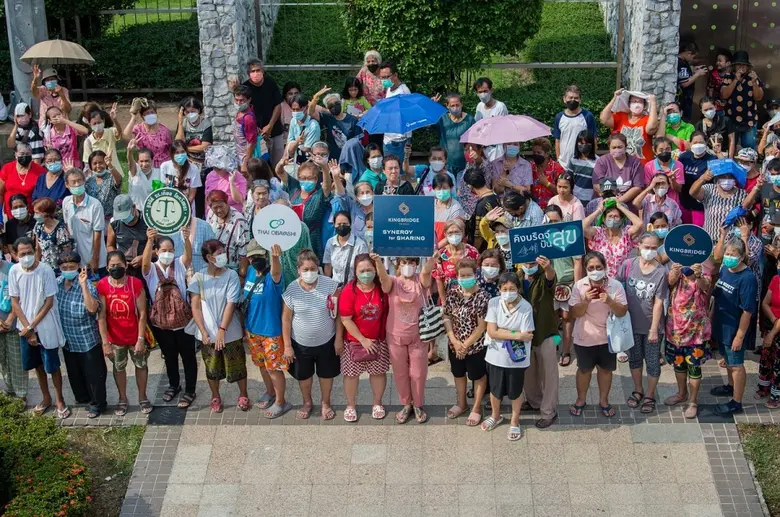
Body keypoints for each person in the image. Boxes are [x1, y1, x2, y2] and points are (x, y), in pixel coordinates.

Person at [9, 237, 69, 418]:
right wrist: (27, 329)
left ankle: (60, 400)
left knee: (52, 366)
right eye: (22, 254)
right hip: (25, 329)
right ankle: (46, 397)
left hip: (45, 326)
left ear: (35, 251)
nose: (27, 256)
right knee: (37, 366)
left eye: (29, 252)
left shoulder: (45, 270)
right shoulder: (14, 271)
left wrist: (32, 326)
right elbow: (15, 301)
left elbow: (49, 301)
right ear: (16, 255)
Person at [374, 252, 435, 423]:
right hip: (395, 335)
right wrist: (378, 261)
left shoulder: (420, 281)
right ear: (398, 265)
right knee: (400, 373)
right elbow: (383, 281)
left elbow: (426, 274)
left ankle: (418, 404)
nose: (407, 265)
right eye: (404, 262)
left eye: (411, 262)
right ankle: (406, 403)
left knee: (418, 373)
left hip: (419, 336)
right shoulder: (393, 281)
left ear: (416, 264)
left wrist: (432, 258)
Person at [189, 240, 249, 413]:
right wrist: (203, 331)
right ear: (208, 257)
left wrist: (222, 330)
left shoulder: (231, 275)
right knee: (212, 367)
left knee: (238, 365)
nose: (223, 256)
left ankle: (243, 394)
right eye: (219, 253)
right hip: (207, 332)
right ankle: (215, 396)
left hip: (231, 331)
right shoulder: (198, 277)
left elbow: (231, 303)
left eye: (223, 252)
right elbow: (196, 306)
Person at [282, 249, 342, 420]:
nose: (310, 272)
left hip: (327, 341)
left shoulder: (330, 285)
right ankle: (307, 402)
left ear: (318, 268)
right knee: (304, 376)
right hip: (300, 344)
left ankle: (326, 403)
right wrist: (287, 346)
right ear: (298, 270)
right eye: (305, 269)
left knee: (326, 375)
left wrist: (339, 339)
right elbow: (286, 319)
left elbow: (338, 315)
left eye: (313, 268)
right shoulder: (292, 288)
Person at [142, 227, 197, 409]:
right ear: (156, 252)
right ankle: (174, 384)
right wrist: (149, 241)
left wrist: (186, 239)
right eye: (164, 250)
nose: (168, 254)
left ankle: (190, 390)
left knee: (188, 357)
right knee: (169, 357)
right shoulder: (151, 270)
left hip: (183, 323)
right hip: (161, 325)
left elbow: (188, 257)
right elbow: (143, 265)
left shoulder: (179, 265)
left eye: (171, 250)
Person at [568, 251, 627, 417]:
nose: (595, 270)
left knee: (606, 370)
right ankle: (581, 399)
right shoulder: (579, 286)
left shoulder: (615, 286)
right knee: (584, 370)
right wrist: (585, 301)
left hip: (608, 338)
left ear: (605, 267)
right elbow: (574, 314)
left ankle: (604, 401)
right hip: (584, 337)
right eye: (591, 268)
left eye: (598, 267)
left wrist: (609, 300)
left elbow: (622, 311)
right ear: (586, 269)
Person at [617, 233, 668, 414]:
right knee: (635, 359)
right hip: (630, 325)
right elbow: (618, 289)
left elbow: (659, 302)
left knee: (653, 362)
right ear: (638, 246)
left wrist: (654, 328)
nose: (650, 251)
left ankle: (650, 394)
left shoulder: (661, 272)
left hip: (651, 326)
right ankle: (638, 390)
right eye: (647, 246)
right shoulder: (628, 265)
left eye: (654, 248)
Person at [97, 251, 151, 416]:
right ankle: (122, 398)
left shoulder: (135, 284)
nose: (116, 268)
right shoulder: (102, 285)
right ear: (107, 267)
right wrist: (105, 342)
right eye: (112, 266)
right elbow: (102, 316)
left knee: (141, 366)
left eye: (119, 265)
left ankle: (143, 397)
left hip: (135, 336)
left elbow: (142, 314)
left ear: (125, 265)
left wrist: (141, 339)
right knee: (119, 367)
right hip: (115, 339)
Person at [338, 253, 390, 422]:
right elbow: (345, 319)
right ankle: (351, 405)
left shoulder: (381, 288)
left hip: (378, 340)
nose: (366, 273)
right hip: (354, 341)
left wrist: (379, 262)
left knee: (378, 373)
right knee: (351, 375)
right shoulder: (349, 290)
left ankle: (377, 403)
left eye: (369, 269)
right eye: (362, 270)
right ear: (355, 271)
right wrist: (362, 339)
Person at [482, 272, 534, 440]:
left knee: (515, 391)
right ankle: (496, 416)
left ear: (518, 289)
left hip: (517, 359)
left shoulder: (526, 307)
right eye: (505, 289)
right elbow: (491, 331)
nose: (508, 292)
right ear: (499, 289)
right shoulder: (494, 303)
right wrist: (516, 335)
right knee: (495, 390)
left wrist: (501, 332)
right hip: (495, 356)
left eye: (512, 289)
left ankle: (514, 421)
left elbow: (528, 334)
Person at [242, 241, 291, 418]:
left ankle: (281, 401)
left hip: (271, 331)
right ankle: (270, 392)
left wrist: (275, 257)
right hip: (253, 330)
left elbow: (276, 271)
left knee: (273, 369)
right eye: (253, 257)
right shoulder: (249, 272)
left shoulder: (273, 275)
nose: (256, 260)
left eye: (260, 256)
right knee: (262, 365)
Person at [710, 238, 757, 416]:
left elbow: (747, 311)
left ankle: (736, 402)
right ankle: (730, 386)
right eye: (727, 254)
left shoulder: (747, 278)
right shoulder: (725, 270)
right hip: (721, 325)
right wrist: (711, 315)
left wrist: (739, 336)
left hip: (734, 328)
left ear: (742, 256)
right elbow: (717, 296)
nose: (728, 257)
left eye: (732, 254)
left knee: (736, 364)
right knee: (728, 360)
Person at [57, 251, 107, 418]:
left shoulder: (88, 285)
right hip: (68, 341)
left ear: (79, 267)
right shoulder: (57, 284)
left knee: (94, 375)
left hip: (87, 340)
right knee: (75, 374)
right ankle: (84, 399)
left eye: (72, 267)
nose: (68, 270)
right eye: (65, 267)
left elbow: (92, 309)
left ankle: (97, 404)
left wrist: (84, 285)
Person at [443, 257, 489, 426]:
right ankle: (461, 403)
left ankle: (476, 408)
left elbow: (481, 326)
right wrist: (454, 341)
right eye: (462, 275)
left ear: (475, 274)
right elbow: (446, 315)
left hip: (475, 347)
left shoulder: (482, 296)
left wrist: (465, 345)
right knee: (458, 374)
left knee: (478, 376)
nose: (465, 278)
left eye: (468, 275)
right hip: (454, 345)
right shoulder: (453, 292)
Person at [521, 256, 560, 428]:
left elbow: (551, 278)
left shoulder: (544, 277)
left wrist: (548, 268)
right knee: (528, 373)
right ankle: (534, 401)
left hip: (545, 333)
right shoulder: (515, 278)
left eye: (533, 263)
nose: (529, 266)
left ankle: (548, 412)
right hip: (525, 335)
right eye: (526, 263)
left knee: (548, 375)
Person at [229, 59, 285, 166]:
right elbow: (243, 106)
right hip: (258, 136)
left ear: (263, 70)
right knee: (262, 166)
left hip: (275, 130)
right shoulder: (246, 88)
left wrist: (270, 125)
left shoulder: (270, 83)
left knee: (278, 165)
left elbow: (278, 105)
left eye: (257, 70)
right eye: (252, 71)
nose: (255, 73)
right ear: (248, 73)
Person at [275, 158, 333, 259]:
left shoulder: (318, 195)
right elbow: (279, 172)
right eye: (303, 178)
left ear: (316, 179)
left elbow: (327, 186)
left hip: (311, 239)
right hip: (291, 238)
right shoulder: (294, 189)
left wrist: (324, 167)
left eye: (310, 178)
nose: (306, 181)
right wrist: (281, 163)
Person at [583, 199, 644, 278]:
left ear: (621, 220)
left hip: (622, 280)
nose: (613, 219)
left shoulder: (626, 234)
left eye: (616, 217)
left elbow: (639, 224)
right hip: (600, 279)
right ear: (604, 220)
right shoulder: (598, 233)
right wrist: (599, 210)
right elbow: (582, 226)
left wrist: (621, 207)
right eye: (610, 216)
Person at [63, 168, 107, 273]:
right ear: (67, 185)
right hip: (75, 260)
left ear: (84, 182)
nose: (77, 184)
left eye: (80, 181)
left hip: (94, 261)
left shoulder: (95, 205)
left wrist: (95, 259)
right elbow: (67, 226)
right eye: (73, 182)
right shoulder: (66, 202)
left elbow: (97, 234)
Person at [600, 88, 659, 163]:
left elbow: (651, 128)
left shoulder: (647, 119)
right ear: (629, 104)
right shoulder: (621, 116)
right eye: (634, 101)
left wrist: (653, 103)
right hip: (620, 165)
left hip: (642, 166)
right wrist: (615, 98)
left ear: (644, 105)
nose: (637, 104)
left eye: (640, 101)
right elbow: (603, 119)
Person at [689, 167, 749, 241]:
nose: (727, 180)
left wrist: (757, 187)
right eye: (723, 177)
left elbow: (746, 207)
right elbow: (692, 193)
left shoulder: (742, 194)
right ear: (717, 178)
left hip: (731, 243)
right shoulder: (709, 189)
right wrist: (702, 178)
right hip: (710, 239)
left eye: (730, 177)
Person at [720, 50, 765, 150]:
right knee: (729, 147)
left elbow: (759, 97)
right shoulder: (729, 76)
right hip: (731, 118)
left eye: (744, 65)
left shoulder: (753, 77)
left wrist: (754, 83)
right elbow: (723, 95)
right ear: (734, 66)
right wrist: (735, 80)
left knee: (748, 147)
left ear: (748, 66)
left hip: (749, 119)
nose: (741, 67)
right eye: (738, 65)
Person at [206, 190, 250, 279]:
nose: (219, 210)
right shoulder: (211, 215)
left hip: (232, 271)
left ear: (227, 203)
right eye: (215, 208)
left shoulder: (239, 221)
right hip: (212, 268)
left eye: (221, 206)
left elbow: (244, 252)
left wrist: (242, 276)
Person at [0, 255, 26, 404]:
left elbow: (20, 296)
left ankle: (21, 394)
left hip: (14, 323)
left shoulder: (13, 269)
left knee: (17, 360)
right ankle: (9, 389)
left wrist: (10, 318)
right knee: (3, 360)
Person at [553, 85, 599, 169]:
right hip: (563, 164)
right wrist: (558, 160)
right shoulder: (559, 117)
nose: (573, 100)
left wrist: (589, 160)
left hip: (582, 164)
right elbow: (557, 140)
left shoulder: (588, 116)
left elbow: (594, 140)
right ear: (564, 99)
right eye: (570, 97)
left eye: (576, 98)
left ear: (580, 100)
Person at [433, 218, 479, 301]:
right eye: (450, 233)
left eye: (457, 232)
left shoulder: (472, 252)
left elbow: (479, 275)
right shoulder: (442, 254)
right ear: (445, 234)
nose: (454, 235)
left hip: (471, 297)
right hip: (450, 299)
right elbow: (439, 280)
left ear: (463, 233)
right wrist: (444, 303)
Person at [309, 87, 360, 160]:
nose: (334, 106)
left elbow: (358, 141)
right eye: (331, 105)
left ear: (341, 102)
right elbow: (311, 112)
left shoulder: (353, 120)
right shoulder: (328, 118)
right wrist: (316, 97)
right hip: (334, 160)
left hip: (350, 158)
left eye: (336, 103)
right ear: (327, 108)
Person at [592, 134, 645, 204]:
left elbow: (637, 187)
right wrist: (610, 200)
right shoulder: (602, 161)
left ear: (625, 147)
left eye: (620, 147)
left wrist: (619, 201)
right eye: (614, 147)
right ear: (609, 148)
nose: (616, 150)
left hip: (628, 207)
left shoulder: (635, 163)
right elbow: (596, 184)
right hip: (605, 204)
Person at [678, 131, 716, 225]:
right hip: (684, 203)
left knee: (697, 233)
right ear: (690, 143)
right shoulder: (683, 158)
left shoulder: (712, 160)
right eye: (695, 143)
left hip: (700, 206)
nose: (698, 145)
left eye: (701, 142)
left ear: (706, 143)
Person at [0, 143, 46, 219]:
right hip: (11, 214)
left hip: (31, 215)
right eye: (22, 154)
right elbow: (0, 192)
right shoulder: (7, 168)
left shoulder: (40, 171)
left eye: (28, 154)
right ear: (15, 154)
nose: (24, 156)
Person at [323, 211, 369, 285]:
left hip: (354, 287)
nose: (342, 226)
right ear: (334, 225)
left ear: (350, 225)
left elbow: (364, 269)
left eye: (345, 224)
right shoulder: (330, 243)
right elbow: (328, 266)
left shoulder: (360, 244)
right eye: (339, 224)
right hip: (335, 288)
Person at [123, 99, 172, 168]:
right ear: (142, 116)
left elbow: (171, 150)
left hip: (163, 167)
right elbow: (125, 137)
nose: (150, 115)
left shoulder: (165, 131)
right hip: (145, 166)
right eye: (147, 113)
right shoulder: (138, 129)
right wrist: (133, 117)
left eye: (152, 112)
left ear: (156, 113)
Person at [107, 195, 148, 277]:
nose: (123, 219)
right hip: (124, 269)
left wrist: (144, 257)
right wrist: (119, 260)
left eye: (125, 215)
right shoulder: (114, 223)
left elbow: (159, 249)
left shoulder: (147, 221)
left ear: (134, 207)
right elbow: (110, 246)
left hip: (145, 268)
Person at [377, 61, 412, 157]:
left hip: (399, 140)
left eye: (387, 77)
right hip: (388, 138)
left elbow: (406, 116)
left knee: (397, 170)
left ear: (395, 75)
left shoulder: (403, 92)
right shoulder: (390, 88)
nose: (384, 80)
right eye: (382, 77)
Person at [436, 92, 475, 174]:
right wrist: (432, 106)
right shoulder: (442, 119)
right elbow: (428, 123)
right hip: (446, 164)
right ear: (447, 106)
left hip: (464, 164)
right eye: (452, 106)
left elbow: (475, 140)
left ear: (462, 104)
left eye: (457, 105)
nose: (455, 108)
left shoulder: (470, 120)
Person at [462, 168, 499, 250]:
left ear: (470, 186)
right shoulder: (495, 196)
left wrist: (475, 251)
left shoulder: (482, 205)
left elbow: (479, 236)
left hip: (485, 249)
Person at [473, 76, 509, 161]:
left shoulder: (500, 107)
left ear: (491, 90)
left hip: (497, 151)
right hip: (482, 151)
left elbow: (500, 131)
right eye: (480, 92)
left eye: (485, 91)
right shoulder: (479, 106)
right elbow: (476, 127)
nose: (483, 94)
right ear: (476, 93)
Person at [32, 197, 72, 271]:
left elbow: (67, 252)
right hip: (43, 268)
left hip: (58, 269)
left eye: (37, 213)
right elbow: (38, 248)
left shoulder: (60, 229)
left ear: (46, 213)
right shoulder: (38, 225)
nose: (35, 215)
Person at [642, 136, 684, 205]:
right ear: (655, 150)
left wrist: (672, 180)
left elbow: (679, 189)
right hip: (654, 205)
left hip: (672, 205)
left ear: (671, 149)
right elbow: (648, 189)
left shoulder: (678, 165)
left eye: (668, 149)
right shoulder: (649, 166)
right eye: (661, 150)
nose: (664, 152)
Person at [82, 104, 124, 174]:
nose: (97, 125)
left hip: (115, 173)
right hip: (98, 176)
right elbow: (88, 162)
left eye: (99, 122)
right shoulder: (88, 141)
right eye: (94, 123)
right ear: (90, 124)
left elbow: (119, 132)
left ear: (103, 121)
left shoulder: (110, 132)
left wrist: (115, 120)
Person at [160, 141, 202, 206]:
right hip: (169, 205)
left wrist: (185, 207)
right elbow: (163, 188)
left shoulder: (193, 169)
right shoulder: (165, 166)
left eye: (182, 152)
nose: (180, 155)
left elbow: (192, 195)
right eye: (177, 153)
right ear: (172, 154)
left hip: (187, 206)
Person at [175, 96, 213, 166]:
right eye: (187, 112)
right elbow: (178, 143)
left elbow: (204, 146)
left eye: (193, 111)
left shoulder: (206, 124)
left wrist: (185, 148)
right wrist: (180, 122)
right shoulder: (183, 123)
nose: (190, 114)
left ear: (198, 110)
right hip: (187, 161)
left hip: (204, 162)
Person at [30, 65, 71, 129]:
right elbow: (34, 91)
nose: (50, 81)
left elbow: (68, 109)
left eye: (52, 79)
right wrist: (35, 78)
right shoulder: (43, 90)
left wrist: (62, 95)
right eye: (47, 80)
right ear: (44, 82)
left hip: (61, 124)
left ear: (57, 80)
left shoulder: (63, 90)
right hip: (46, 125)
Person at [85, 150, 122, 220]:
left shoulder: (111, 177)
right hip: (93, 218)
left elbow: (119, 180)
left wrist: (110, 165)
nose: (98, 166)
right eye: (95, 163)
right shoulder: (88, 181)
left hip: (110, 219)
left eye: (101, 163)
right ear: (90, 166)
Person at [530, 138, 566, 209]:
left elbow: (563, 192)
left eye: (539, 152)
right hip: (533, 208)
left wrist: (547, 183)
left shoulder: (557, 169)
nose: (535, 155)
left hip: (552, 209)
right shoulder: (531, 167)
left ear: (546, 154)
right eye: (534, 152)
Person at [677, 41, 708, 120]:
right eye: (693, 57)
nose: (692, 59)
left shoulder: (684, 62)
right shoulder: (681, 63)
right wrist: (697, 74)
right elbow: (684, 83)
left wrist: (694, 69)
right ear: (688, 53)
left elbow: (685, 74)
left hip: (686, 98)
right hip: (683, 99)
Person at [126, 141, 161, 211]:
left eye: (147, 161)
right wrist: (129, 151)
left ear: (152, 160)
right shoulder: (135, 171)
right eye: (141, 161)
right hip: (136, 212)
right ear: (137, 162)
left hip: (154, 211)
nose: (144, 164)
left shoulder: (159, 173)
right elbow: (130, 163)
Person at [432, 174, 466, 243]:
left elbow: (454, 234)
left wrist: (437, 248)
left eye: (444, 188)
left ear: (451, 188)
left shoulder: (456, 208)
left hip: (447, 248)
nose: (441, 191)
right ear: (433, 189)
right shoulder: (430, 205)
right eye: (438, 188)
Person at [232, 85, 259, 170]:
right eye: (236, 100)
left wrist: (245, 162)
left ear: (249, 100)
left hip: (246, 156)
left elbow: (251, 142)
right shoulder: (239, 112)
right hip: (239, 153)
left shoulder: (248, 118)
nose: (238, 103)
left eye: (242, 100)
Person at [567, 130, 598, 204]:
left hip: (592, 200)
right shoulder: (573, 160)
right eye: (581, 143)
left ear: (592, 144)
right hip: (575, 200)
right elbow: (569, 180)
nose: (583, 145)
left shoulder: (598, 162)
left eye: (586, 143)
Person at [285, 93, 320, 159]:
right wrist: (296, 143)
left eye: (298, 109)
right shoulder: (293, 120)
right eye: (293, 109)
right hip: (295, 159)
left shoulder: (313, 126)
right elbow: (289, 144)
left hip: (308, 161)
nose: (295, 112)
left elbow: (307, 150)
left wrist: (294, 145)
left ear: (306, 108)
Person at [707, 48, 732, 113]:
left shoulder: (732, 75)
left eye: (720, 61)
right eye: (717, 61)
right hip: (717, 106)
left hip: (730, 106)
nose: (717, 63)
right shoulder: (714, 74)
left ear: (728, 63)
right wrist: (711, 102)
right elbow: (711, 89)